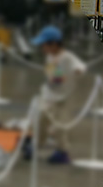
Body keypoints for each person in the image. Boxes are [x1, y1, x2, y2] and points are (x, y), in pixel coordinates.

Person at [30, 25, 86, 164]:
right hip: (49, 96)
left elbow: (80, 66)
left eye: (44, 44)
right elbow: (53, 78)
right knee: (41, 119)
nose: (42, 47)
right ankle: (36, 144)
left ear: (54, 44)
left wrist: (78, 70)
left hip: (65, 98)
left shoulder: (67, 57)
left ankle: (62, 151)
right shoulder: (49, 56)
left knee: (60, 126)